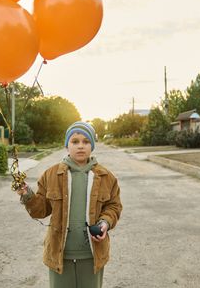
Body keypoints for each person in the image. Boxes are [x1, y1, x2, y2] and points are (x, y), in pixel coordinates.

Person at [17, 121, 122, 288]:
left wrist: (105, 223)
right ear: (67, 145)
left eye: (86, 141)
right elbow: (40, 210)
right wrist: (27, 196)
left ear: (92, 146)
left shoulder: (106, 176)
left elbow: (114, 206)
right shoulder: (51, 174)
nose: (80, 146)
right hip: (60, 255)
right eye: (75, 141)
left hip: (92, 254)